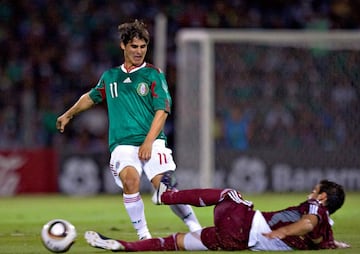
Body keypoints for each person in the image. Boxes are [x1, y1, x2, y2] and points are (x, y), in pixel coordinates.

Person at [56, 19, 201, 240]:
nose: (139, 51)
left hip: (153, 141)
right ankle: (144, 236)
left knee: (165, 191)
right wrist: (68, 114)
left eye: (143, 47)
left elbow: (162, 111)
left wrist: (149, 142)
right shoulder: (110, 77)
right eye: (134, 46)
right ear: (123, 46)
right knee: (130, 180)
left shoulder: (153, 74)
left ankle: (196, 229)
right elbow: (91, 97)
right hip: (122, 145)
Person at [84, 179, 350, 251]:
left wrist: (283, 230)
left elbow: (307, 223)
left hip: (245, 225)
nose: (310, 194)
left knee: (229, 195)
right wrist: (334, 243)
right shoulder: (326, 233)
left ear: (323, 197)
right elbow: (317, 235)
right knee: (176, 242)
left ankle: (165, 196)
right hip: (236, 243)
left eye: (314, 191)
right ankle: (124, 245)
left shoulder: (317, 209)